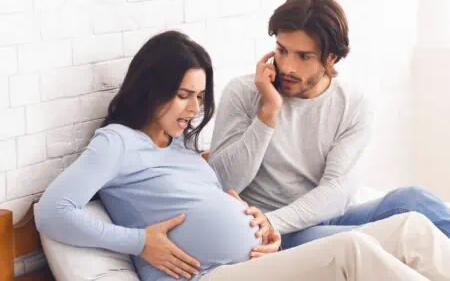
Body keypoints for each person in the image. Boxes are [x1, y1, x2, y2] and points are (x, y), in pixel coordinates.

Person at [34, 31, 450, 281]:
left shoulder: (182, 148)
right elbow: (53, 211)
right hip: (208, 277)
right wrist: (139, 242)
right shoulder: (118, 142)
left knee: (411, 227)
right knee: (352, 252)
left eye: (198, 97)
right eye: (182, 96)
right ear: (150, 88)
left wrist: (260, 228)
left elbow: (209, 204)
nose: (194, 110)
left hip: (255, 262)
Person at [208, 0, 450, 249]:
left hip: (307, 218)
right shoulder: (244, 92)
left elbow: (336, 192)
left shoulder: (352, 104)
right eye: (282, 50)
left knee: (413, 200)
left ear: (331, 58)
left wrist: (274, 220)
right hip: (276, 235)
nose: (288, 66)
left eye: (304, 56)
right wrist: (268, 113)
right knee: (369, 241)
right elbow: (224, 181)